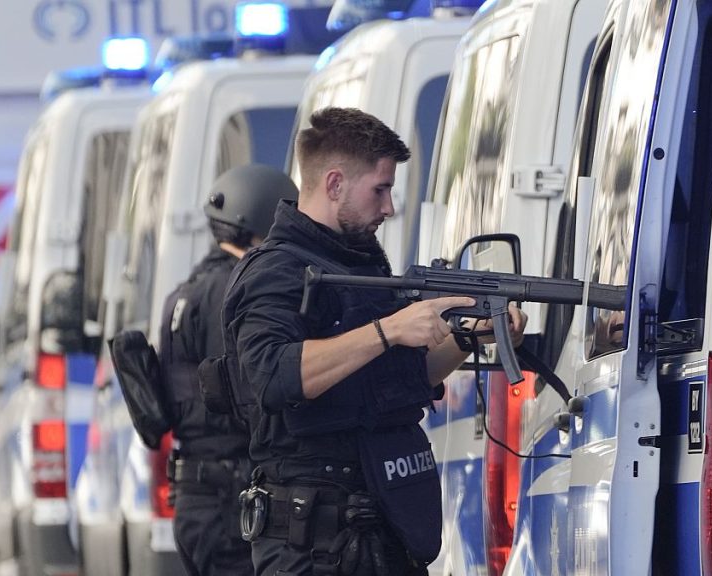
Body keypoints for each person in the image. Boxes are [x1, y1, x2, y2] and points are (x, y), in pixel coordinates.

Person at [221, 107, 527, 576]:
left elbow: (403, 378)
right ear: (335, 183)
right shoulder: (276, 271)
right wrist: (389, 330)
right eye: (380, 190)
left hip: (380, 525)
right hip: (312, 544)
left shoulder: (360, 265)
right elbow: (274, 376)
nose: (388, 207)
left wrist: (467, 339)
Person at [158, 164, 299, 576]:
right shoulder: (236, 288)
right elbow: (252, 387)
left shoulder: (183, 293)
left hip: (195, 496)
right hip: (228, 497)